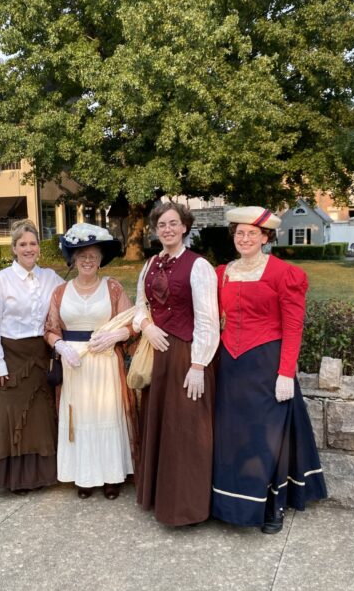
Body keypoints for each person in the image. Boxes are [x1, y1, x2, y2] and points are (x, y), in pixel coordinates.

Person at [211, 206, 327, 534]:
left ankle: (271, 506)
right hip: (231, 365)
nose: (245, 238)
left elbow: (293, 325)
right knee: (232, 436)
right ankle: (230, 503)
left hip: (266, 364)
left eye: (252, 234)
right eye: (240, 233)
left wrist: (286, 372)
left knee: (266, 438)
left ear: (265, 237)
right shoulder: (222, 273)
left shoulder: (283, 274)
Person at [133, 202, 219, 526]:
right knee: (161, 427)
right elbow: (140, 306)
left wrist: (198, 365)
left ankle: (187, 507)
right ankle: (161, 499)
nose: (167, 229)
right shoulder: (150, 264)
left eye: (173, 223)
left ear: (184, 227)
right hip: (158, 356)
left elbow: (209, 322)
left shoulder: (199, 266)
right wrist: (146, 326)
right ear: (156, 231)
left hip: (186, 356)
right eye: (162, 225)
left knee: (186, 431)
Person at [45, 223, 138, 499]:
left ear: (101, 260)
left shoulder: (113, 288)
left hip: (105, 362)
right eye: (82, 255)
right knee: (80, 418)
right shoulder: (60, 292)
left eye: (93, 256)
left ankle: (111, 476)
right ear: (73, 259)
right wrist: (60, 345)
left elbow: (133, 321)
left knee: (106, 415)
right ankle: (84, 476)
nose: (88, 261)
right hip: (75, 366)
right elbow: (49, 329)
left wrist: (118, 335)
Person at [0, 220, 64, 493]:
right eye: (23, 244)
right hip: (11, 356)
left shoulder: (51, 277)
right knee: (9, 415)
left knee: (39, 418)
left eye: (33, 243)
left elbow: (72, 299)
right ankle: (12, 479)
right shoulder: (0, 280)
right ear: (14, 248)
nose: (29, 248)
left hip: (40, 354)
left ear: (39, 247)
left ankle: (37, 476)